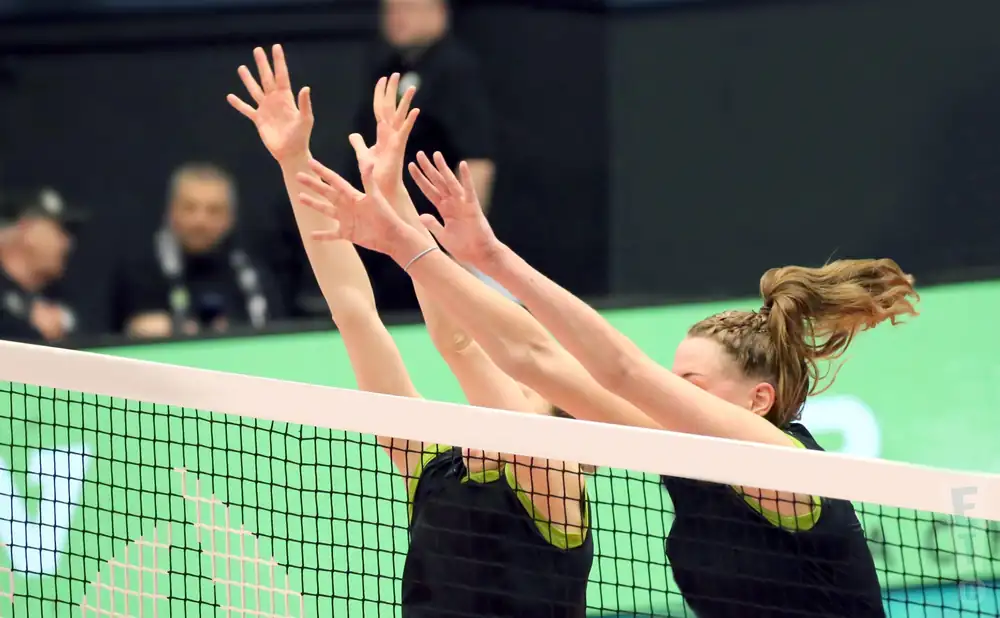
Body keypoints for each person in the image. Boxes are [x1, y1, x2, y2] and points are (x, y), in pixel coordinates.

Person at [301, 143, 913, 615]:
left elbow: (617, 369)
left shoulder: (786, 467)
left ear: (759, 401)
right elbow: (532, 358)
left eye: (689, 384)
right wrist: (452, 253)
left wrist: (453, 254)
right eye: (673, 378)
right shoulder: (680, 454)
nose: (668, 394)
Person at [228, 45, 633, 616]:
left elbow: (461, 346)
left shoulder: (554, 482)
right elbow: (353, 310)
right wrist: (295, 158)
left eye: (525, 385)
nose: (509, 377)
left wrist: (394, 208)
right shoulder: (431, 468)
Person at [346, 0, 497, 313]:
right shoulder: (389, 67)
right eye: (390, 10)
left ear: (439, 11)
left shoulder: (454, 69)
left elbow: (477, 160)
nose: (396, 18)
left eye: (408, 8)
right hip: (386, 233)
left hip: (431, 232)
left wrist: (464, 243)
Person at [116, 162, 285, 338]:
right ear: (171, 211)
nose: (200, 221)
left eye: (214, 211)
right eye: (190, 208)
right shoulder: (140, 269)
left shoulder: (252, 276)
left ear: (230, 218)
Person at [0, 188, 84, 343]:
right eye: (58, 229)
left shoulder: (53, 298)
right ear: (26, 228)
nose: (67, 242)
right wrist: (25, 323)